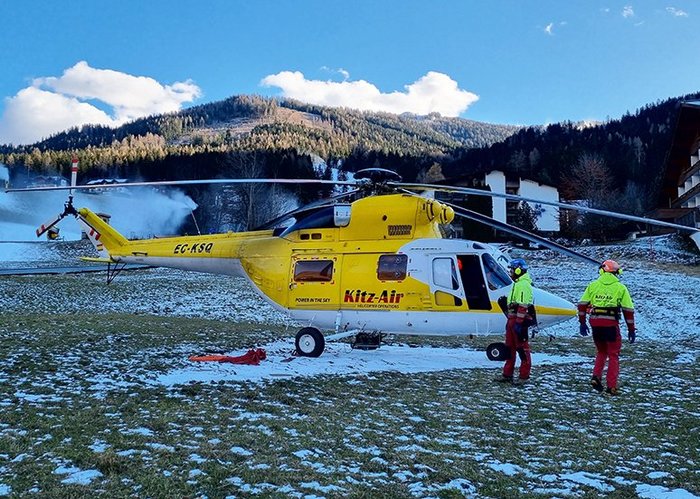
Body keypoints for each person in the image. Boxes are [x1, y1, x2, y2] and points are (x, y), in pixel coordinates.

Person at [578, 259, 636, 396]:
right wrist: (631, 329)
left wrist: (582, 322)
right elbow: (628, 310)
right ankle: (611, 387)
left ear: (602, 270)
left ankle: (596, 377)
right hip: (611, 324)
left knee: (601, 351)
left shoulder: (593, 285)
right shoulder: (620, 288)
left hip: (595, 323)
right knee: (613, 355)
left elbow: (581, 305)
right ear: (616, 273)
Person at [495, 258, 534, 384]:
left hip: (518, 321)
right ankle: (507, 374)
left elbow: (523, 305)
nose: (510, 272)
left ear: (518, 270)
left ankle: (524, 376)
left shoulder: (523, 285)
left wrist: (519, 322)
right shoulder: (517, 284)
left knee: (522, 349)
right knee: (509, 348)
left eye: (512, 269)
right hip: (512, 320)